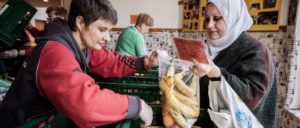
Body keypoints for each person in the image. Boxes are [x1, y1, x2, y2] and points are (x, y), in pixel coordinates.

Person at [0, 0, 158, 127]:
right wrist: (135, 105)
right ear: (81, 22)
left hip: (47, 116)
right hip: (23, 122)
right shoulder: (55, 52)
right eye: (102, 29)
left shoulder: (84, 46)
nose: (108, 38)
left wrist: (145, 62)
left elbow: (110, 60)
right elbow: (85, 102)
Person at [191, 0, 277, 127]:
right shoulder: (212, 50)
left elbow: (251, 97)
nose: (209, 25)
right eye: (207, 19)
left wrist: (216, 73)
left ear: (234, 18)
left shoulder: (256, 50)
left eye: (217, 18)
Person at [0, 6, 68, 59]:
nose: (48, 21)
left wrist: (19, 53)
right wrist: (30, 27)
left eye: (50, 17)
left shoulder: (59, 34)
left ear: (61, 18)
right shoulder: (54, 30)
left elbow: (42, 49)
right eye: (48, 17)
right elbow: (41, 34)